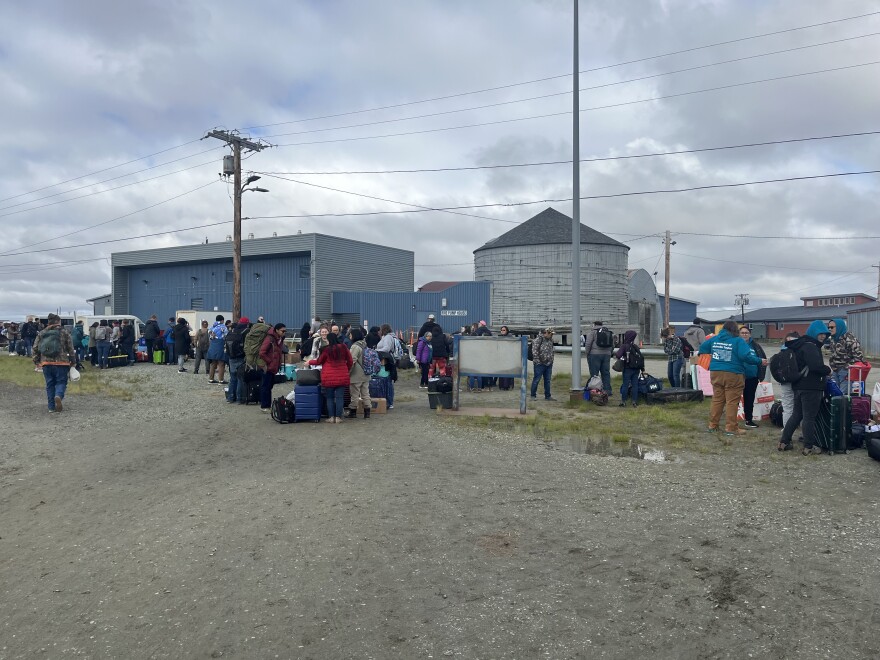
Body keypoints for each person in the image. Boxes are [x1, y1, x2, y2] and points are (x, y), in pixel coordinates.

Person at [698, 320, 765, 438]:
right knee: (732, 401)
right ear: (735, 330)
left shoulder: (715, 339)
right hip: (733, 374)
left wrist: (717, 353)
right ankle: (731, 427)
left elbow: (703, 348)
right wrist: (760, 361)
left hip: (716, 372)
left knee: (717, 399)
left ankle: (713, 425)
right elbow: (745, 356)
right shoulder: (738, 341)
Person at [779, 320, 832, 454]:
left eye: (825, 334)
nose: (823, 336)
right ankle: (809, 446)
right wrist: (827, 370)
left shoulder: (800, 345)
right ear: (813, 332)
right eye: (820, 333)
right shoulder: (810, 346)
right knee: (809, 417)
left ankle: (784, 442)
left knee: (796, 415)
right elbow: (815, 366)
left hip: (799, 385)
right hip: (811, 387)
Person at [33, 313, 75, 413]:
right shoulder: (64, 332)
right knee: (61, 382)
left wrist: (36, 361)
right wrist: (73, 361)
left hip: (46, 363)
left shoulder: (42, 333)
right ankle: (58, 395)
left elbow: (35, 347)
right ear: (58, 321)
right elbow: (70, 348)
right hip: (62, 362)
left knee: (50, 384)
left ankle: (51, 407)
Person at [308, 332, 352, 423]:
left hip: (328, 377)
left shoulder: (326, 350)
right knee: (340, 397)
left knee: (330, 397)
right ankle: (338, 418)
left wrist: (309, 362)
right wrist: (346, 369)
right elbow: (350, 360)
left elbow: (319, 361)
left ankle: (331, 417)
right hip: (342, 376)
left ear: (328, 340)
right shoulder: (343, 347)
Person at [738, 326, 767, 429]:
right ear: (739, 334)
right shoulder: (735, 344)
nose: (744, 334)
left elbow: (763, 359)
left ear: (750, 334)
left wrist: (761, 375)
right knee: (734, 399)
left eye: (746, 333)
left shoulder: (756, 346)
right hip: (737, 376)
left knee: (749, 399)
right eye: (742, 333)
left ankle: (748, 420)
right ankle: (732, 420)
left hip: (752, 377)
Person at [827, 318, 864, 391]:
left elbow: (859, 357)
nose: (830, 329)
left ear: (839, 326)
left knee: (843, 396)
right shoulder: (833, 339)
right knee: (836, 394)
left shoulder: (849, 338)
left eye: (832, 327)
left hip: (846, 372)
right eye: (828, 327)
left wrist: (846, 367)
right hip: (835, 371)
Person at [258, 322, 286, 412]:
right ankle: (264, 406)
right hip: (267, 367)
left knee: (269, 386)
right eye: (282, 331)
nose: (284, 332)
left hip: (273, 367)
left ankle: (267, 405)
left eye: (285, 331)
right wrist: (270, 361)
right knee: (266, 386)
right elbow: (262, 352)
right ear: (277, 330)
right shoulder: (269, 338)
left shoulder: (279, 339)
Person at [774, 331, 799, 429]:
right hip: (798, 381)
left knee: (787, 406)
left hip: (784, 381)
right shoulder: (798, 349)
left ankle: (786, 429)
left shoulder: (782, 350)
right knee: (799, 406)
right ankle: (798, 426)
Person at [346, 327, 372, 419]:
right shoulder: (364, 344)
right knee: (365, 393)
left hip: (356, 374)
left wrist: (348, 372)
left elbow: (351, 361)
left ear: (354, 336)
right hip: (366, 373)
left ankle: (353, 412)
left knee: (354, 394)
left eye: (350, 334)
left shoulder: (355, 346)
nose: (349, 336)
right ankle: (367, 412)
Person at [224, 317, 250, 403]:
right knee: (240, 378)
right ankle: (240, 398)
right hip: (241, 356)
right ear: (247, 323)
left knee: (233, 378)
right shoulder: (246, 331)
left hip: (231, 357)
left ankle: (230, 397)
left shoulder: (231, 331)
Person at [615, 329, 643, 407]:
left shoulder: (624, 346)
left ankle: (623, 401)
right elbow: (641, 357)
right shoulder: (635, 346)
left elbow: (618, 355)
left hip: (627, 368)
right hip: (636, 369)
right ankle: (634, 401)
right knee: (635, 385)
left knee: (625, 384)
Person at [585, 320, 613, 396]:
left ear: (594, 324)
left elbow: (588, 344)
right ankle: (607, 391)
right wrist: (609, 353)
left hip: (595, 355)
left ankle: (595, 391)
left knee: (594, 374)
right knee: (606, 373)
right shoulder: (607, 332)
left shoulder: (593, 332)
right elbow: (612, 344)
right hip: (606, 355)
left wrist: (587, 353)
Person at [530, 327, 556, 401]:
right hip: (539, 364)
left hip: (549, 363)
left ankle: (548, 396)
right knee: (536, 379)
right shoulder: (538, 340)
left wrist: (551, 360)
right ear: (546, 333)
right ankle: (533, 395)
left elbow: (551, 350)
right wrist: (538, 361)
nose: (552, 335)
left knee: (547, 380)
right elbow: (534, 351)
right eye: (551, 334)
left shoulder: (551, 340)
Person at [207, 315, 228, 384]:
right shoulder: (223, 327)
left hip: (212, 346)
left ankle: (211, 379)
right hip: (220, 345)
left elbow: (210, 337)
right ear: (222, 320)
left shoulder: (212, 327)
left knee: (213, 363)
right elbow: (226, 336)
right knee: (221, 363)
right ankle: (221, 380)